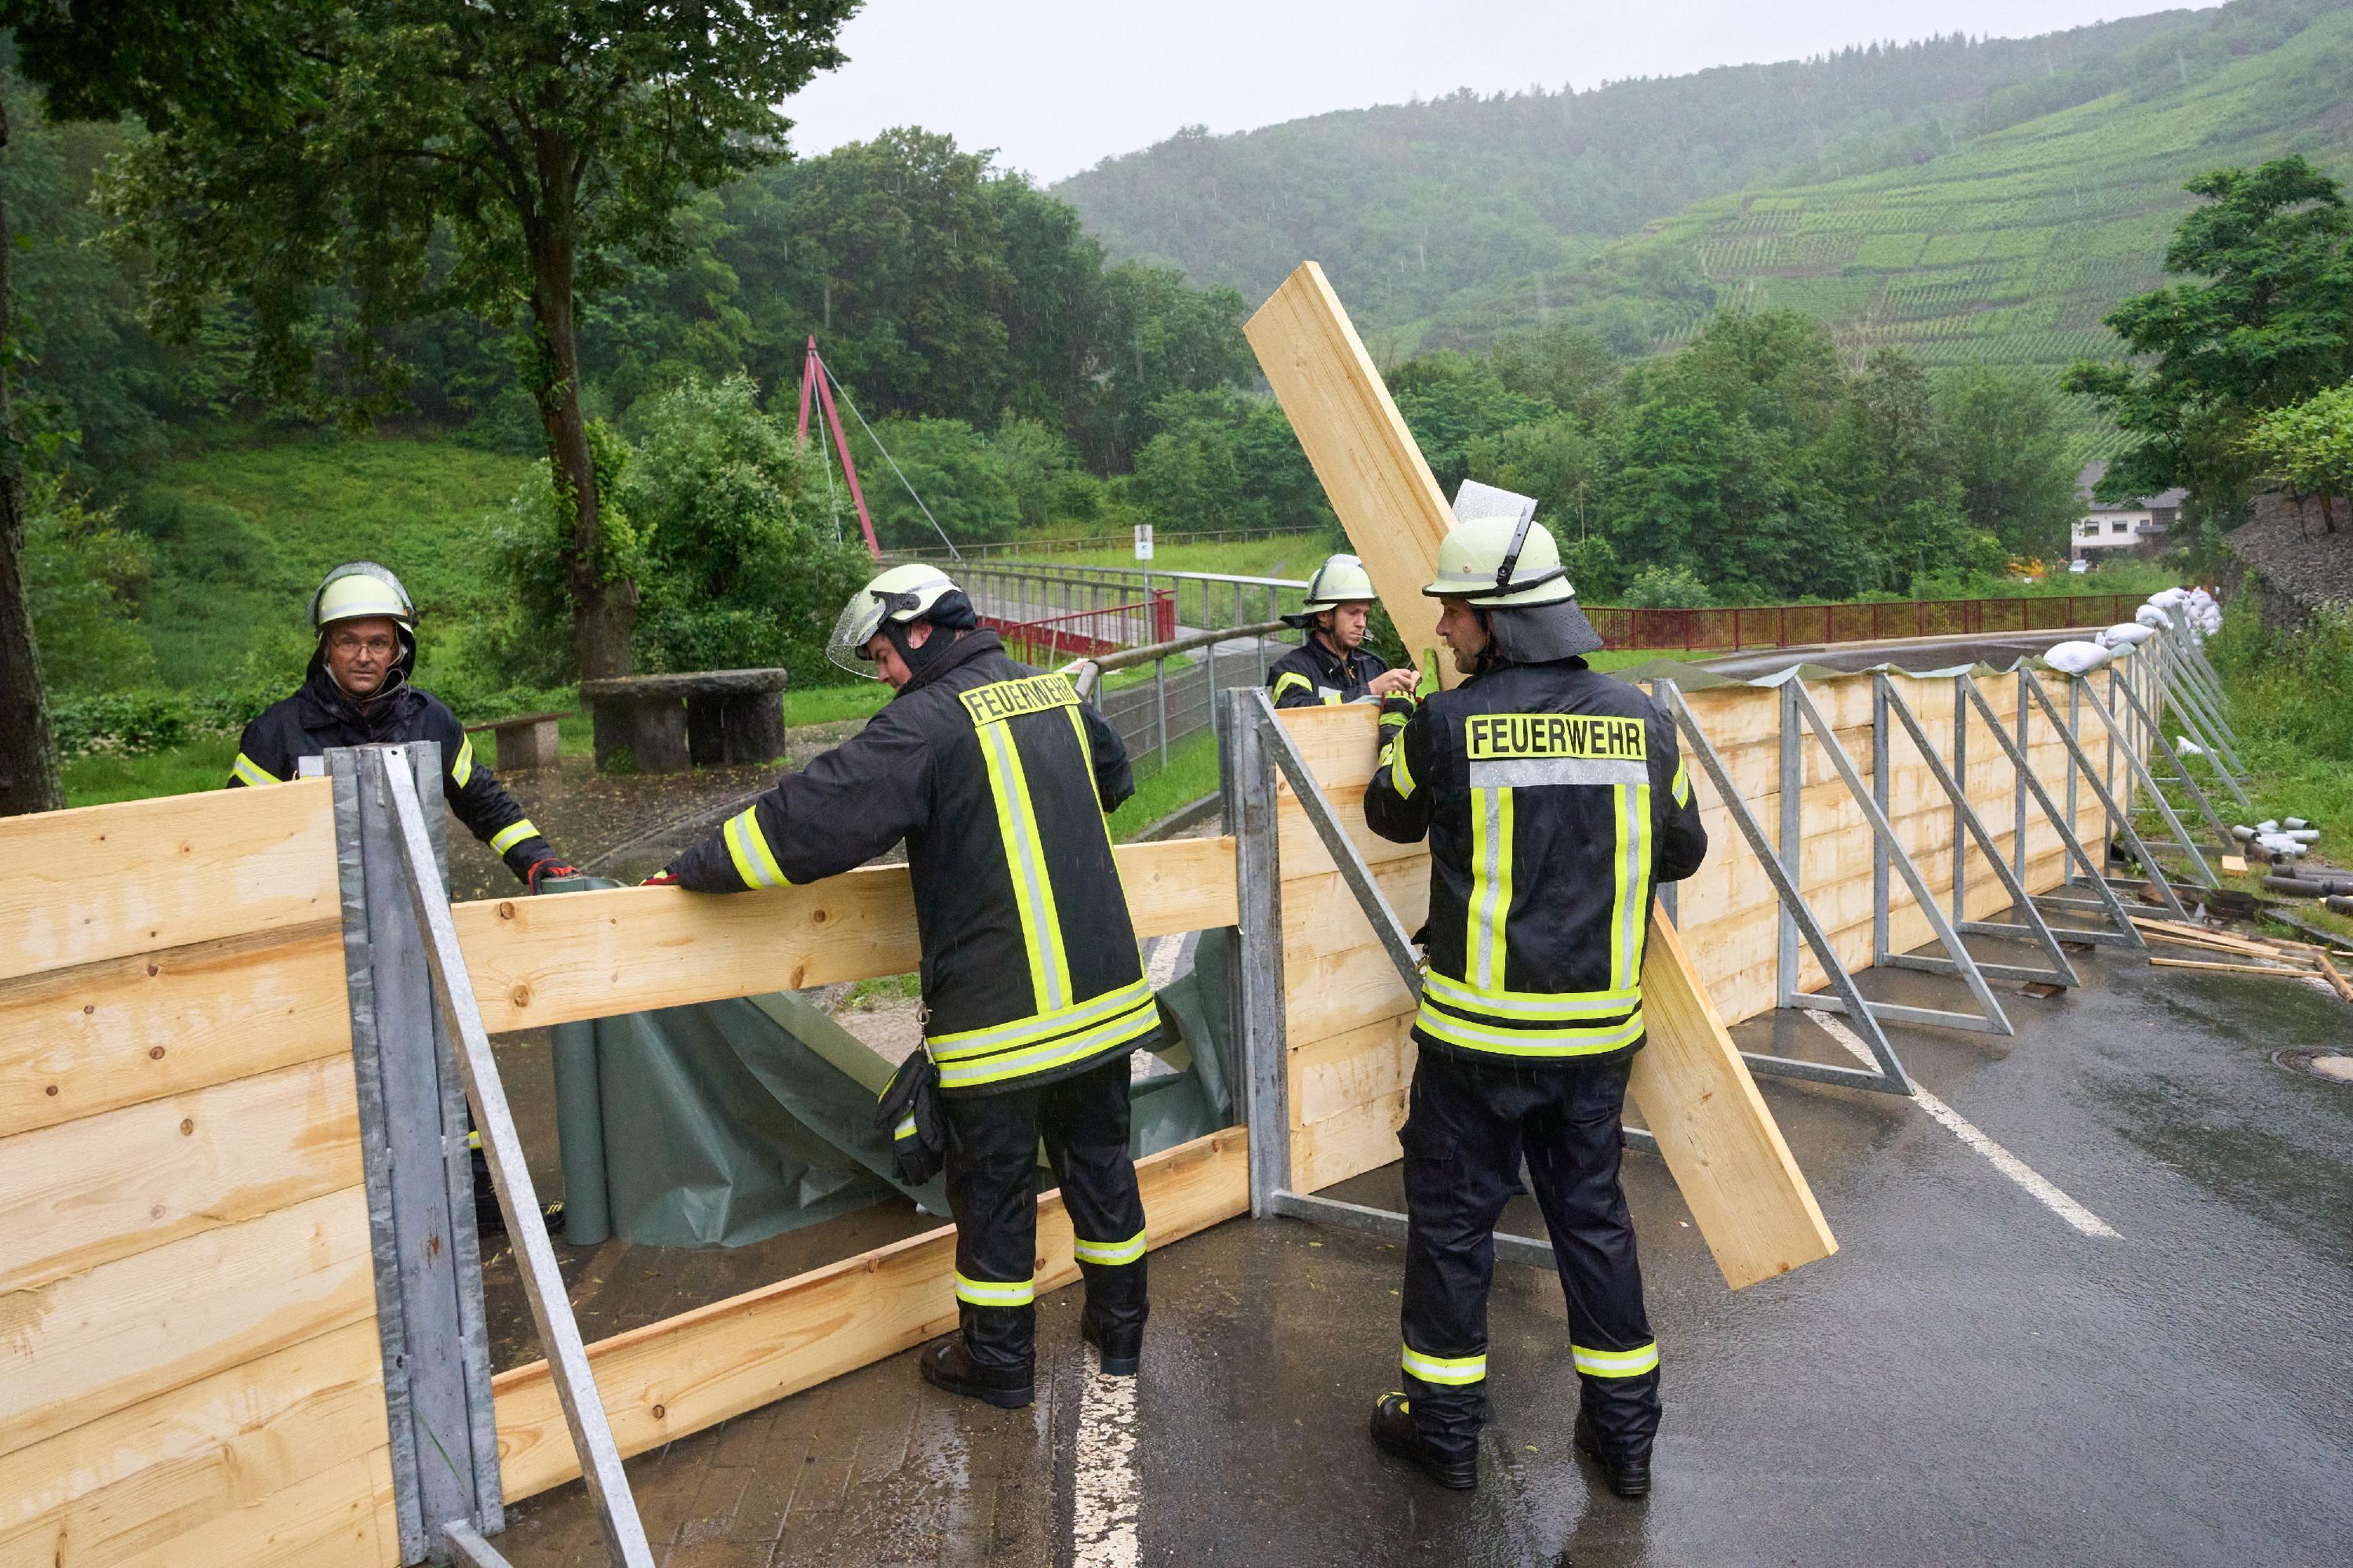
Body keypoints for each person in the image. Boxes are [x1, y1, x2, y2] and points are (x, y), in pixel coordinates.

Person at [654, 563, 1157, 1406]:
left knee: (993, 1194)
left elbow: (809, 820)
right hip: (1105, 1004)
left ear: (922, 630)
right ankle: (1122, 1330)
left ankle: (998, 1365)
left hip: (1002, 1024)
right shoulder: (1056, 695)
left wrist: (691, 870)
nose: (882, 673)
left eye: (882, 653)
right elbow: (1113, 783)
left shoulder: (924, 723)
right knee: (1101, 1163)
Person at [1358, 511, 1707, 1498]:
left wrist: (1396, 721)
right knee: (1594, 1227)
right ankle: (1626, 1444)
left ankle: (1444, 1434)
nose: (1442, 633)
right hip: (1596, 1041)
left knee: (1454, 1229)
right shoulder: (1641, 718)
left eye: (1455, 614)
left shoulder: (1446, 722)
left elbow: (1389, 816)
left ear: (1501, 622)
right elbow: (1683, 852)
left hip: (1474, 1045)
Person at [231, 561, 576, 1234]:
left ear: (400, 648)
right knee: (326, 1072)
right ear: (325, 647)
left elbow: (485, 804)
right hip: (318, 938)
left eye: (378, 642)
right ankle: (325, 1220)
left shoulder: (433, 722)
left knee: (451, 1055)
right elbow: (235, 842)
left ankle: (479, 1199)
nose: (364, 655)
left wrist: (537, 864)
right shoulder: (275, 734)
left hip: (415, 925)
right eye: (348, 641)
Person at [1266, 553, 1418, 708]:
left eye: (1365, 614)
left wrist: (1412, 690)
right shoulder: (1292, 669)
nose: (1362, 623)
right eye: (1353, 613)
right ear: (1323, 615)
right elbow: (1298, 715)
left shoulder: (1373, 667)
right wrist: (1370, 690)